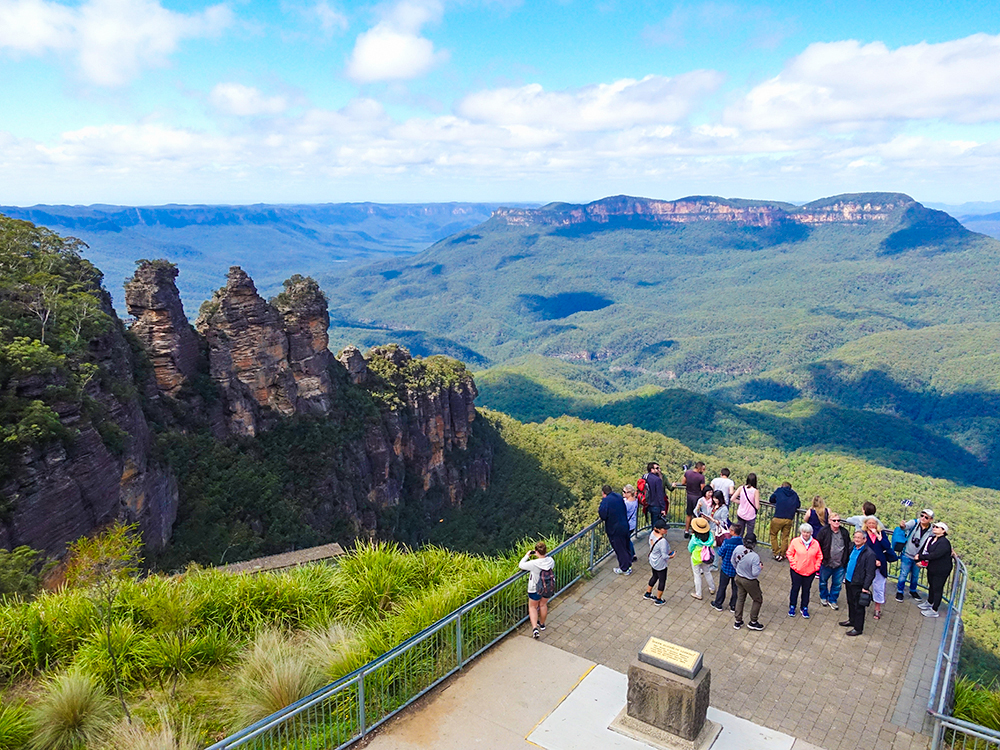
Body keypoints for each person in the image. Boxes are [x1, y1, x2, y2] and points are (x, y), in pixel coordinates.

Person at [840, 529, 877, 636]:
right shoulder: (852, 547)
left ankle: (858, 628)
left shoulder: (869, 554)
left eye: (859, 538)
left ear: (864, 540)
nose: (856, 540)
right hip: (849, 580)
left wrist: (865, 587)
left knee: (859, 607)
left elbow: (870, 573)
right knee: (850, 602)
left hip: (859, 583)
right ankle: (851, 620)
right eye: (855, 537)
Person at [896, 509, 934, 602]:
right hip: (907, 554)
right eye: (922, 516)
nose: (923, 518)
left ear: (931, 519)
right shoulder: (914, 523)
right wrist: (902, 525)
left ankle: (913, 590)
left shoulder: (932, 530)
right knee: (903, 574)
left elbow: (938, 539)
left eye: (926, 517)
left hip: (919, 557)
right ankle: (899, 591)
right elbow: (905, 527)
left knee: (915, 575)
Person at [519, 541, 555, 639]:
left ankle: (535, 628)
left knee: (533, 607)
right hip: (548, 587)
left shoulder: (533, 564)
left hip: (534, 588)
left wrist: (527, 555)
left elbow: (521, 565)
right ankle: (542, 624)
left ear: (536, 551)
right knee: (543, 605)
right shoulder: (551, 560)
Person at [917, 522, 954, 618]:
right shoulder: (932, 539)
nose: (934, 528)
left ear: (943, 531)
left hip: (941, 569)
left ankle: (935, 609)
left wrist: (920, 557)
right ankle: (929, 602)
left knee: (937, 588)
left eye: (937, 527)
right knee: (932, 585)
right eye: (934, 526)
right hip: (933, 567)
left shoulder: (944, 543)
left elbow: (935, 555)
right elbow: (927, 550)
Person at [786, 523, 823, 618]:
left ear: (811, 533)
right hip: (796, 571)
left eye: (808, 532)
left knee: (806, 590)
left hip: (810, 572)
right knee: (795, 588)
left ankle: (804, 607)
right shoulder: (795, 542)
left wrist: (816, 567)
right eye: (804, 532)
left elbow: (819, 556)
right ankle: (792, 606)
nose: (806, 534)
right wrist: (794, 565)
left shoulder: (815, 543)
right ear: (801, 532)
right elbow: (789, 553)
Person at [863, 515, 896, 620]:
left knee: (879, 587)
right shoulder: (863, 534)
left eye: (873, 523)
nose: (871, 525)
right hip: (866, 564)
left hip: (880, 565)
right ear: (866, 524)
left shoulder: (882, 534)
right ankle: (861, 603)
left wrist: (878, 536)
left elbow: (887, 546)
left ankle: (877, 608)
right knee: (863, 584)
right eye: (869, 523)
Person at [816, 513, 851, 610]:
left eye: (838, 520)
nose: (836, 522)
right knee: (823, 582)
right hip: (826, 562)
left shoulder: (844, 532)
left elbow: (848, 546)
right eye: (834, 520)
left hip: (840, 564)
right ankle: (823, 597)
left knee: (837, 584)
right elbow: (817, 544)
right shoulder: (824, 531)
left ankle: (833, 600)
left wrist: (846, 560)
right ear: (830, 521)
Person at [732, 533, 764, 631]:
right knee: (758, 599)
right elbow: (755, 573)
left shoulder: (738, 549)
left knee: (741, 598)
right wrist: (760, 567)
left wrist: (738, 570)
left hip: (738, 577)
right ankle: (753, 621)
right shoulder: (755, 557)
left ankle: (738, 621)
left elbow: (733, 561)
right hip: (749, 580)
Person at [599, 484, 632, 575]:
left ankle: (624, 568)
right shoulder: (618, 496)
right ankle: (628, 564)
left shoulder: (606, 501)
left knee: (620, 549)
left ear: (603, 493)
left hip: (615, 529)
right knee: (625, 546)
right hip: (624, 525)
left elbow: (603, 515)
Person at [711, 521, 744, 613]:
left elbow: (720, 553)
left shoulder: (727, 542)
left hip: (726, 568)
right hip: (737, 569)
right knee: (735, 588)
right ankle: (733, 606)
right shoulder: (742, 543)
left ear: (733, 531)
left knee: (722, 586)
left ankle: (718, 604)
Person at [644, 519, 675, 605]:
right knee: (662, 580)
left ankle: (648, 593)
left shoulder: (652, 534)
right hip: (660, 563)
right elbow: (665, 556)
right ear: (658, 529)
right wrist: (671, 556)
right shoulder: (662, 541)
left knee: (654, 576)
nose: (666, 530)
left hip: (653, 560)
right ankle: (658, 599)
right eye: (664, 529)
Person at [768, 481, 800, 561]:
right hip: (789, 519)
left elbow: (771, 499)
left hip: (778, 517)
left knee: (773, 534)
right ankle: (782, 554)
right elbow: (798, 505)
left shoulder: (779, 490)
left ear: (782, 486)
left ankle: (776, 553)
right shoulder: (794, 494)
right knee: (785, 537)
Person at [688, 517, 715, 600]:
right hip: (707, 558)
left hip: (696, 559)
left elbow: (690, 548)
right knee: (707, 572)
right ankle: (712, 588)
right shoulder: (710, 536)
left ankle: (698, 593)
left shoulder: (694, 538)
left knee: (697, 575)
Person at [677, 461, 706, 538]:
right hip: (697, 497)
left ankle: (686, 530)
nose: (703, 471)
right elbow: (702, 488)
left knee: (689, 514)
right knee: (696, 515)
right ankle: (693, 532)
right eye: (703, 469)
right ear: (699, 468)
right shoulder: (701, 477)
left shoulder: (688, 473)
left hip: (689, 495)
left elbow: (683, 482)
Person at [733, 473, 761, 538]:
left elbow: (732, 499)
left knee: (739, 533)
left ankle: (738, 546)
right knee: (749, 534)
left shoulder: (741, 488)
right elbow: (757, 506)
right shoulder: (755, 491)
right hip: (750, 515)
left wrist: (741, 502)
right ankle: (747, 546)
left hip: (741, 513)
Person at [623, 484, 639, 563]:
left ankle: (630, 555)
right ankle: (633, 554)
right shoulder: (635, 501)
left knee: (626, 540)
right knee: (628, 539)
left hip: (627, 525)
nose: (623, 493)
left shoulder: (627, 504)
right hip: (633, 523)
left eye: (625, 492)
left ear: (629, 493)